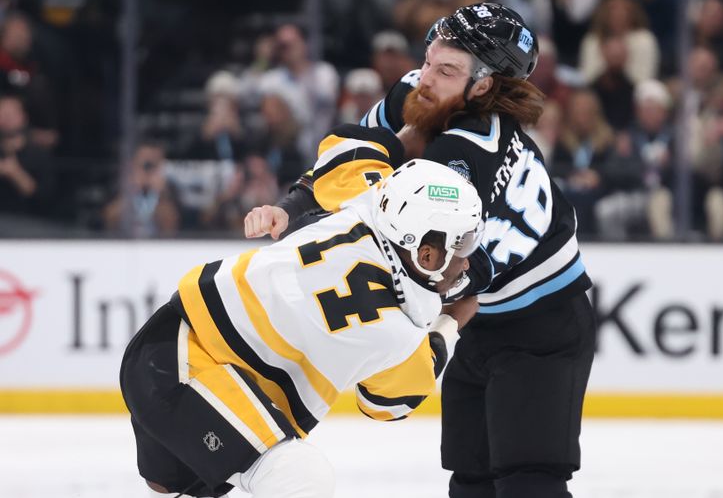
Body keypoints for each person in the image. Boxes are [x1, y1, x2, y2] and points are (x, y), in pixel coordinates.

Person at [246, 3, 596, 498]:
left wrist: (312, 234)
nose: (424, 78)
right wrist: (295, 204)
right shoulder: (424, 90)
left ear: (484, 87)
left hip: (542, 325)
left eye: (446, 70)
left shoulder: (469, 156)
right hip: (479, 316)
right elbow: (357, 154)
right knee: (470, 478)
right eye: (429, 59)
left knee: (528, 479)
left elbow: (432, 263)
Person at [120, 158, 484, 498]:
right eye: (463, 244)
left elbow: (346, 153)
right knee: (301, 476)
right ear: (426, 253)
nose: (467, 263)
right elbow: (386, 404)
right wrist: (451, 322)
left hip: (171, 340)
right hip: (184, 371)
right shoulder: (397, 333)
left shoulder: (360, 198)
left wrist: (287, 207)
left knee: (174, 482)